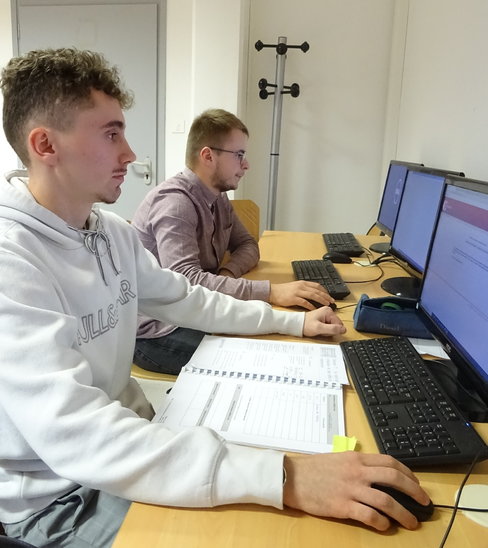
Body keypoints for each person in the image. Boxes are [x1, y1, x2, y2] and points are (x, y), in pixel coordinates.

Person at [0, 48, 430, 548]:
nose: (130, 154)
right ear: (45, 144)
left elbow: (187, 298)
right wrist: (288, 478)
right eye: (111, 134)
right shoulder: (13, 261)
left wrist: (291, 323)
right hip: (63, 497)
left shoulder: (109, 232)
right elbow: (77, 433)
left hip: (135, 445)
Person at [132, 108, 335, 374]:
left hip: (198, 309)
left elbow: (248, 245)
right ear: (207, 156)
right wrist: (271, 292)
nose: (246, 164)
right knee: (266, 354)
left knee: (274, 339)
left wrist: (227, 274)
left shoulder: (217, 196)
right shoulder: (176, 204)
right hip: (159, 331)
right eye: (239, 155)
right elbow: (185, 283)